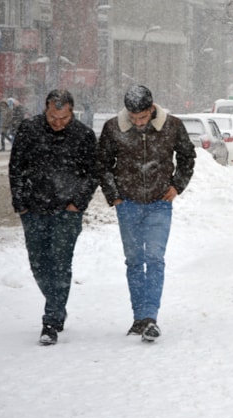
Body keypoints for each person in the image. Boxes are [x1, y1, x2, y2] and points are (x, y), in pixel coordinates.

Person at [96, 85, 196, 342]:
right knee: (133, 260)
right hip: (127, 202)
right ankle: (138, 317)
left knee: (154, 258)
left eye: (142, 117)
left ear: (151, 109)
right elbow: (102, 164)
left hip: (159, 202)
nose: (138, 122)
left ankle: (150, 317)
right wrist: (114, 194)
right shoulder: (113, 128)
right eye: (133, 118)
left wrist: (177, 185)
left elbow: (187, 156)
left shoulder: (171, 126)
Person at [9, 89, 99, 345]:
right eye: (52, 117)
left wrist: (77, 203)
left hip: (66, 211)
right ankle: (57, 303)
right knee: (38, 264)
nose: (57, 122)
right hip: (33, 208)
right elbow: (16, 167)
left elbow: (92, 174)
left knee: (60, 263)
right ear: (45, 109)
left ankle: (51, 320)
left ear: (72, 112)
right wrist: (21, 203)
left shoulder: (83, 135)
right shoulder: (29, 130)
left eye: (63, 118)